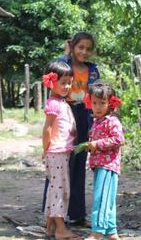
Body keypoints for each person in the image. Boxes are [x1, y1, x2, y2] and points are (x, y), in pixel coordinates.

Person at [43, 32, 100, 227]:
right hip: (62, 116)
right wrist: (65, 53)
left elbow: (96, 95)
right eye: (80, 47)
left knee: (78, 166)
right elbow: (53, 70)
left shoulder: (93, 71)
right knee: (58, 166)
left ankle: (76, 215)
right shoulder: (64, 65)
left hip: (83, 118)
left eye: (88, 48)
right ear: (72, 47)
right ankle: (51, 216)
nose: (84, 52)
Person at [41, 61, 80, 239]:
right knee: (60, 190)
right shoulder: (54, 104)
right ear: (51, 82)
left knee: (56, 188)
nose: (67, 86)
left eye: (69, 82)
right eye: (63, 82)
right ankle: (61, 229)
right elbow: (47, 129)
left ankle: (50, 227)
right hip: (56, 152)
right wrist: (46, 149)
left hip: (61, 152)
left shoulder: (61, 102)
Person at [83, 81, 124, 240]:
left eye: (102, 103)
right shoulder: (98, 121)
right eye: (94, 103)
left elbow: (118, 139)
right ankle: (112, 232)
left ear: (110, 103)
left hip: (108, 166)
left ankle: (97, 232)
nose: (98, 107)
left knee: (101, 200)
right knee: (107, 200)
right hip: (101, 165)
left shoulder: (112, 121)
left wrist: (97, 144)